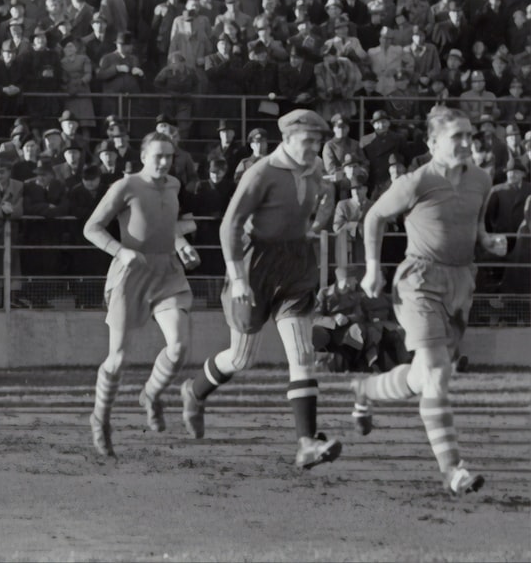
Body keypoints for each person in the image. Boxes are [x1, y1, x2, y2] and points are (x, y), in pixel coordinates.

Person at [352, 107, 507, 497]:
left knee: (425, 377)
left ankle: (365, 391)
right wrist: (373, 269)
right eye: (456, 136)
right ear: (433, 142)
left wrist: (486, 240)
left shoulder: (482, 179)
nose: (466, 142)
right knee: (438, 372)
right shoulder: (416, 181)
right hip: (419, 280)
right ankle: (452, 469)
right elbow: (374, 218)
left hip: (461, 281)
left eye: (468, 134)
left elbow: (475, 222)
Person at [180, 109, 343, 470]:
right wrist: (238, 279)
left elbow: (317, 202)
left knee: (302, 354)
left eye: (318, 141)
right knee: (241, 358)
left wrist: (313, 227)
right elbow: (229, 227)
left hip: (296, 265)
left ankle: (306, 443)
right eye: (307, 141)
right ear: (287, 139)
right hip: (254, 268)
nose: (314, 148)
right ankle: (194, 391)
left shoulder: (314, 169)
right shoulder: (261, 173)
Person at [82, 131, 201, 457]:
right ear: (144, 156)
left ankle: (150, 394)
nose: (164, 162)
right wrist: (120, 252)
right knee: (117, 359)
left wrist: (182, 245)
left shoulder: (174, 185)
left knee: (178, 348)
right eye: (158, 156)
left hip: (167, 274)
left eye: (169, 156)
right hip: (130, 276)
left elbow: (170, 226)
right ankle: (100, 419)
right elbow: (91, 228)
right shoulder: (124, 187)